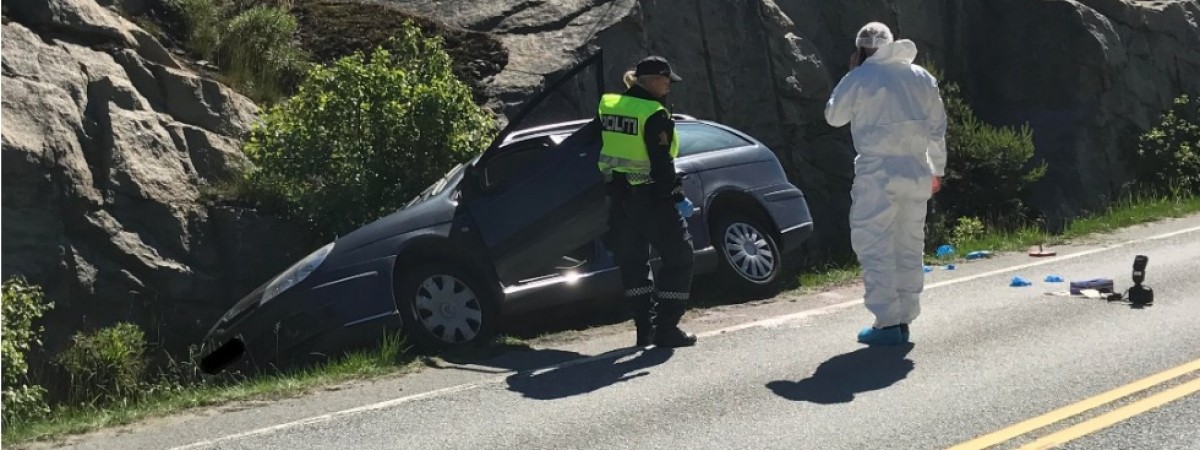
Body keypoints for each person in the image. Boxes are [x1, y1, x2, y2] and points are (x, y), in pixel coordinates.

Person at [824, 22, 948, 345]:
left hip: (878, 172)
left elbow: (833, 115)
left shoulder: (861, 77)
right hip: (917, 168)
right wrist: (938, 170)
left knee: (874, 243)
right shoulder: (921, 76)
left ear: (861, 49)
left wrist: (851, 74)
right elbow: (938, 128)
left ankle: (888, 322)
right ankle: (905, 316)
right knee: (908, 243)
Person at [594, 55, 697, 349]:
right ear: (652, 81)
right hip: (651, 197)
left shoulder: (609, 105)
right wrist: (676, 195)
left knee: (634, 264)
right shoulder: (654, 113)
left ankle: (644, 329)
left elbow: (592, 142)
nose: (668, 87)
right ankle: (666, 328)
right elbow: (660, 160)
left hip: (619, 198)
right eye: (666, 82)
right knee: (680, 257)